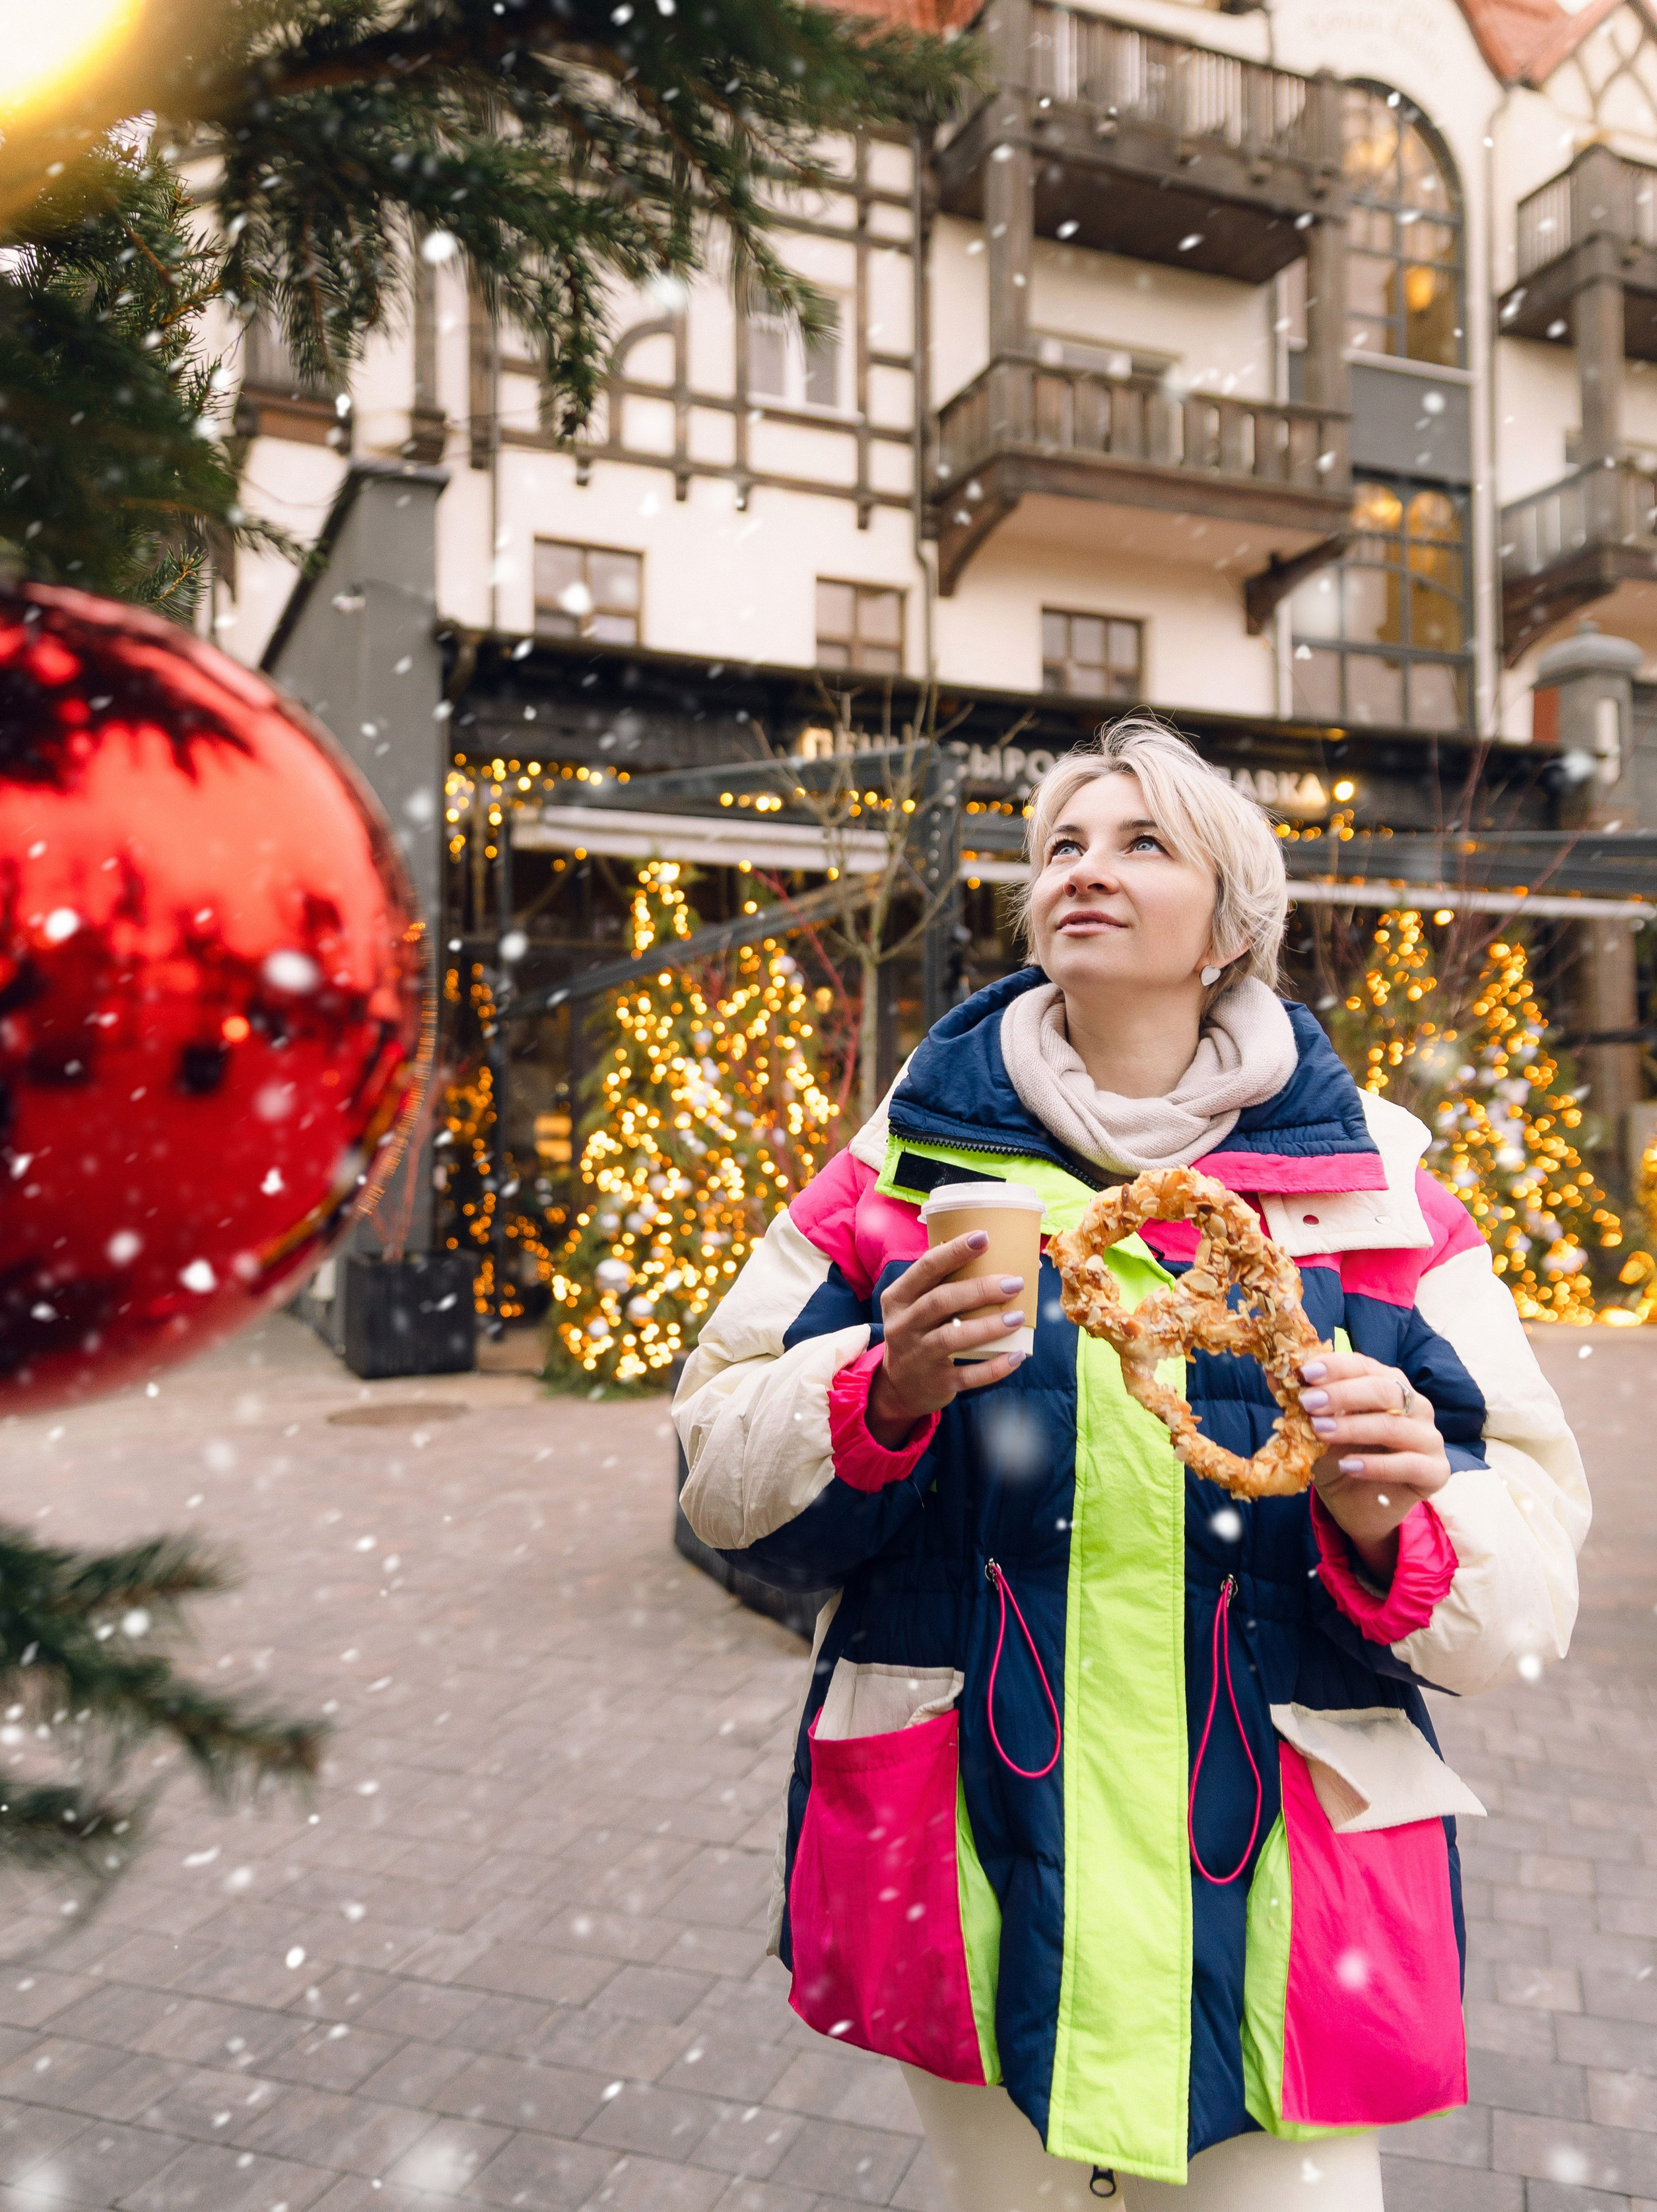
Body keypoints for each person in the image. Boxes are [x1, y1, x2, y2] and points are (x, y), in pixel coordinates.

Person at [671, 718, 1589, 2211]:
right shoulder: (897, 1169)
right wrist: (877, 1385)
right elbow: (715, 1467)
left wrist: (1392, 1523)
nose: (1085, 869)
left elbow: (1527, 1572)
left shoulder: (1374, 1189)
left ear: (1229, 924)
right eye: (1060, 846)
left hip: (1281, 1879)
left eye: (1140, 841)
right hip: (974, 1846)